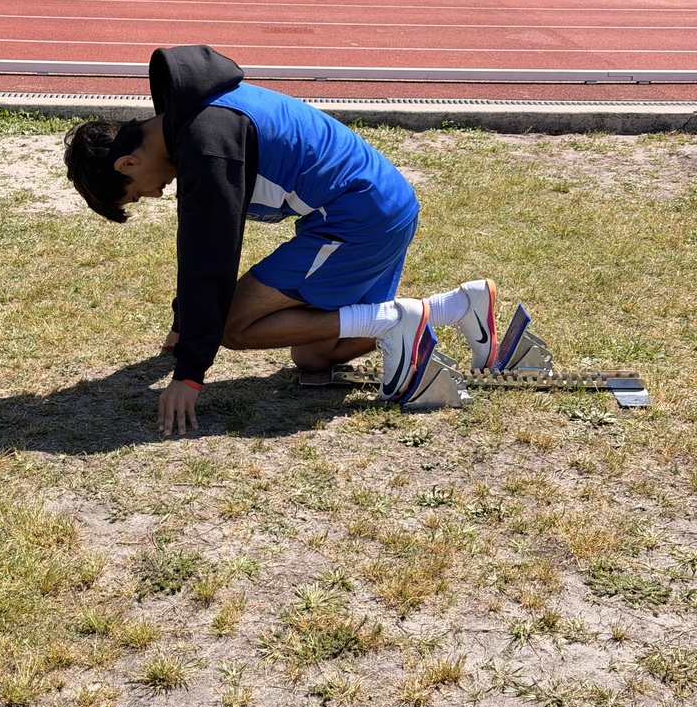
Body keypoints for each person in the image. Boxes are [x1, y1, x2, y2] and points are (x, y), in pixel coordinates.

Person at [64, 45, 497, 435]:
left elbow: (208, 258)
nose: (155, 194)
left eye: (139, 191)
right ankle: (454, 307)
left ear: (127, 162)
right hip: (378, 207)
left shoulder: (207, 141)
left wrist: (189, 374)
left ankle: (397, 320)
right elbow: (196, 244)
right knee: (313, 359)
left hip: (357, 218)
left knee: (232, 325)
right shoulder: (189, 124)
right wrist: (183, 324)